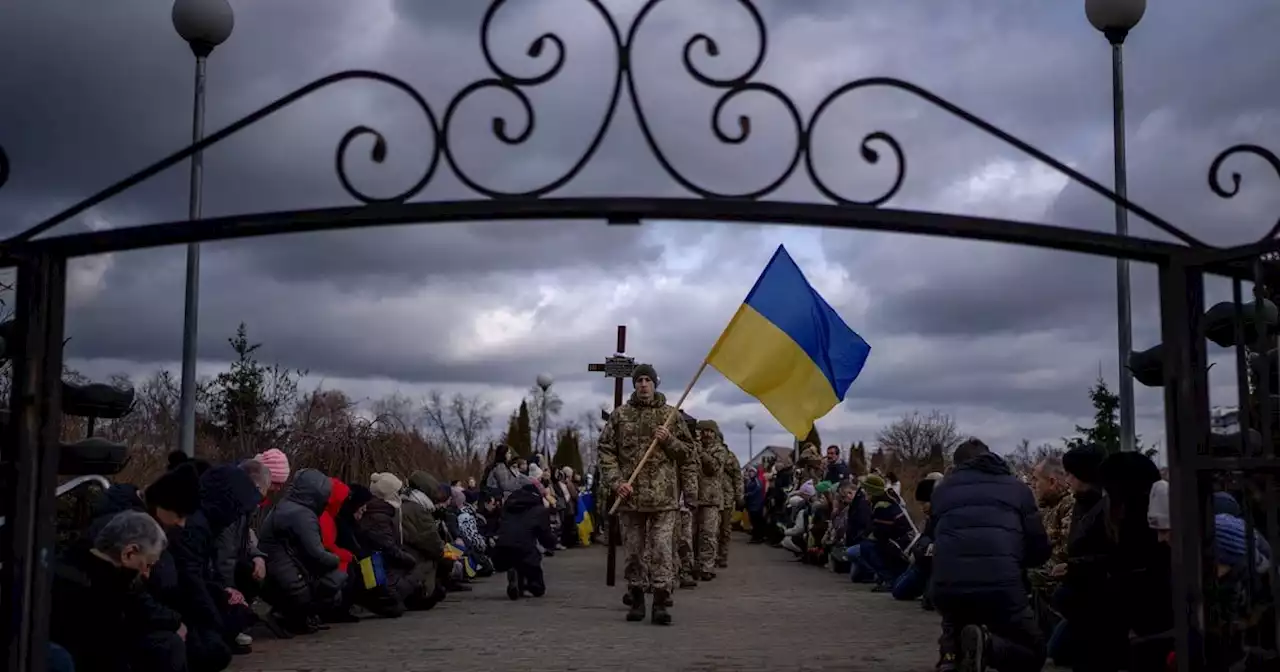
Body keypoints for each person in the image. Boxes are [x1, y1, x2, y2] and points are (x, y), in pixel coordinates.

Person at [930, 438, 1050, 672]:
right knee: (1033, 652)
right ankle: (989, 646)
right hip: (1001, 585)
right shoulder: (1018, 488)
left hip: (948, 586)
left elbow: (936, 538)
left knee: (954, 614)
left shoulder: (942, 490)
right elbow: (1038, 546)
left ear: (957, 465)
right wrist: (1016, 563)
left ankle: (950, 654)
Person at [598, 362, 693, 625]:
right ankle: (637, 598)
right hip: (630, 497)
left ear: (654, 384)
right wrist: (617, 481)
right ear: (634, 385)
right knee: (633, 552)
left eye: (647, 380)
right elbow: (606, 450)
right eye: (639, 380)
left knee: (662, 549)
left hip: (663, 498)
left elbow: (688, 452)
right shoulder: (621, 416)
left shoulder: (670, 416)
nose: (643, 385)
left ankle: (661, 601)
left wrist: (669, 440)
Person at [51, 510, 189, 672]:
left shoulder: (84, 565)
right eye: (148, 564)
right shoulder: (96, 592)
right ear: (129, 553)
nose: (147, 573)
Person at [257, 469, 345, 635]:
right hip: (287, 579)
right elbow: (317, 554)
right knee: (336, 581)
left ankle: (297, 618)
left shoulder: (289, 507)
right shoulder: (301, 515)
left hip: (277, 574)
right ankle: (287, 616)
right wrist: (337, 560)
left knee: (330, 581)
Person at [492, 483, 559, 600]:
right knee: (538, 586)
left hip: (502, 550)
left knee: (517, 555)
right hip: (525, 550)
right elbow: (544, 535)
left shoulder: (508, 506)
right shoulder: (539, 510)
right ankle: (530, 584)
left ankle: (517, 579)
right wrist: (552, 543)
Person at [693, 419, 726, 578]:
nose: (706, 434)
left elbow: (713, 467)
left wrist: (701, 453)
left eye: (710, 431)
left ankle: (707, 566)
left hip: (710, 499)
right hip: (692, 497)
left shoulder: (719, 450)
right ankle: (692, 565)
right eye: (703, 431)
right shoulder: (693, 446)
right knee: (691, 535)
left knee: (708, 534)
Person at [716, 432, 744, 569]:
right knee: (712, 529)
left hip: (726, 497)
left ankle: (723, 555)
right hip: (711, 497)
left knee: (724, 529)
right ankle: (712, 555)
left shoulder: (730, 457)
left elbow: (737, 477)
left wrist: (739, 497)